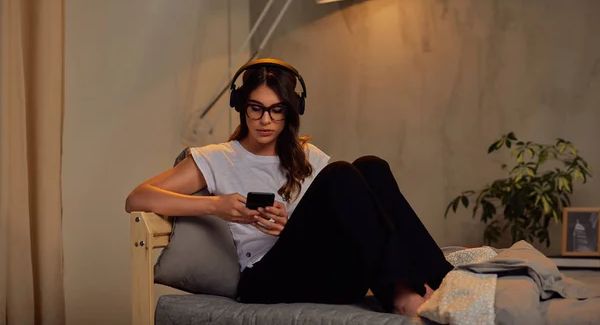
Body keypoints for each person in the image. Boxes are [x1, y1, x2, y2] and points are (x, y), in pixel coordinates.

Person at [125, 58, 453, 316]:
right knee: (341, 173)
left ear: (290, 111)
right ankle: (400, 294)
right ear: (242, 106)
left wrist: (288, 227)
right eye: (256, 108)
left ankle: (447, 281)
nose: (265, 120)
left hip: (329, 276)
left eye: (276, 109)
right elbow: (136, 197)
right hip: (263, 281)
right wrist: (217, 205)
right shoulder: (217, 158)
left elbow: (344, 219)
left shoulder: (308, 157)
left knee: (371, 166)